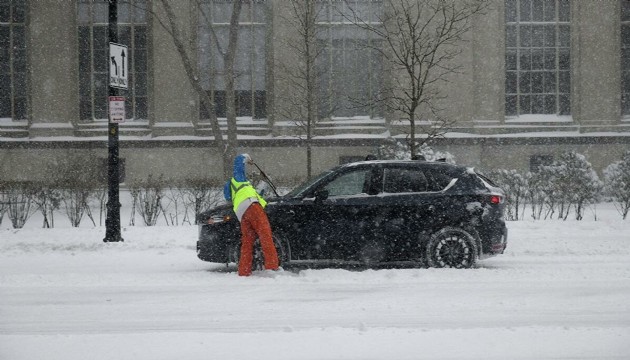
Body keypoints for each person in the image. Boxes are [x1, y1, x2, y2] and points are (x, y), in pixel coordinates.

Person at [224, 154, 279, 276]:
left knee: (247, 242)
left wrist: (264, 183)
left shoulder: (239, 191)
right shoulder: (237, 180)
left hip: (243, 214)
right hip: (253, 208)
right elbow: (238, 162)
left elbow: (258, 194)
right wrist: (246, 158)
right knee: (265, 235)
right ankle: (272, 267)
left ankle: (244, 271)